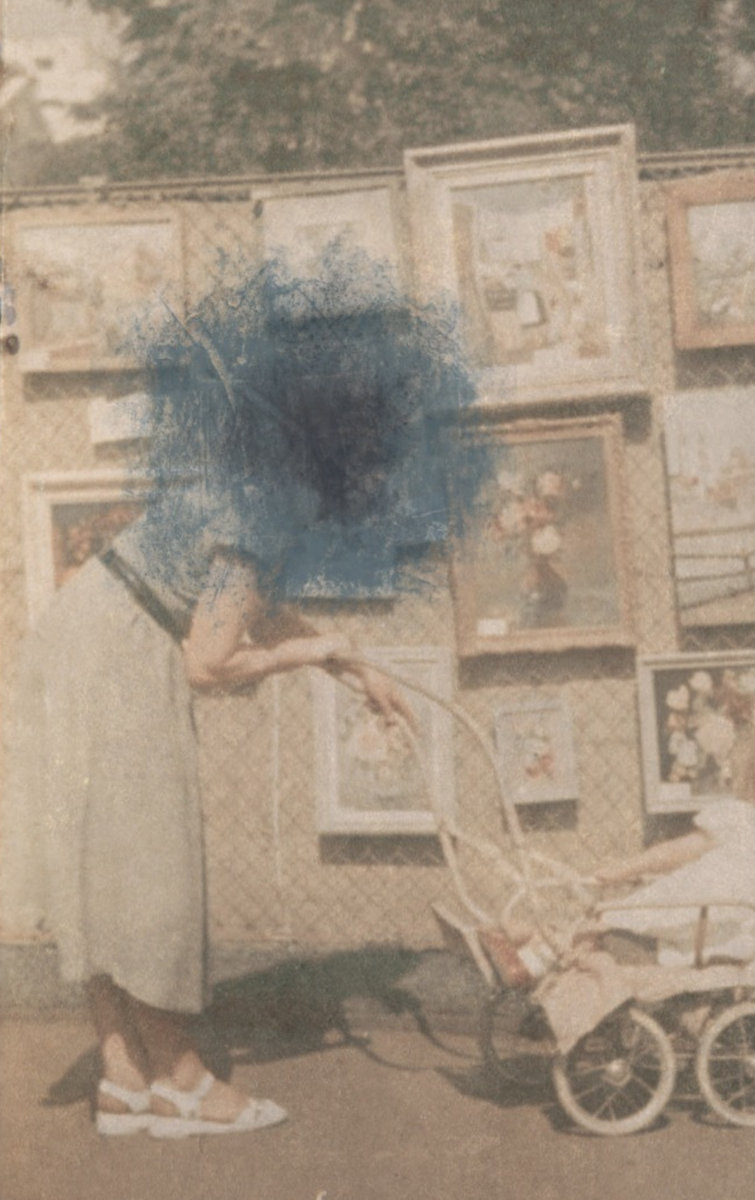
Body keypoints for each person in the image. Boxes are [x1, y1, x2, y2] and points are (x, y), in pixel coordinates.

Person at [0, 287, 468, 1138]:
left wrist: (354, 664)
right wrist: (316, 655)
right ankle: (181, 1078)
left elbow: (247, 607)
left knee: (101, 863)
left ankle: (124, 1081)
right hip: (117, 652)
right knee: (148, 868)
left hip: (82, 632)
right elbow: (212, 659)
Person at [483, 712, 755, 983]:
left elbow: (676, 852)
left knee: (608, 924)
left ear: (754, 773)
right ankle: (529, 938)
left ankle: (531, 952)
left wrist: (623, 869)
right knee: (609, 923)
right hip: (736, 942)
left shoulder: (741, 816)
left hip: (693, 939)